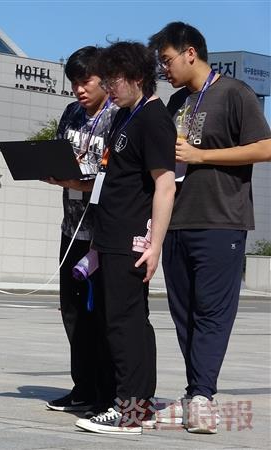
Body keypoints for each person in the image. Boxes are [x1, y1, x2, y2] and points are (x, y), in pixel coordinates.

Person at [149, 22, 271, 434]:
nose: (163, 69)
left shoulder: (234, 93)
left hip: (221, 219)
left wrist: (202, 157)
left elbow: (266, 147)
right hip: (178, 220)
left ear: (190, 52)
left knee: (213, 313)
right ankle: (194, 394)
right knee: (184, 314)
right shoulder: (176, 102)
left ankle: (203, 395)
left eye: (166, 60)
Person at [71, 42, 176, 435]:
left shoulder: (154, 119)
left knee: (124, 322)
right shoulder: (124, 118)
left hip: (131, 238)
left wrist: (155, 245)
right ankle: (136, 402)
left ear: (136, 77)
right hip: (109, 236)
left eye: (114, 80)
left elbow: (165, 185)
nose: (109, 88)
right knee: (124, 320)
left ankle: (130, 408)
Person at [43, 46, 119, 415]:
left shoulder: (118, 116)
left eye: (85, 81)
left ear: (104, 79)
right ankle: (82, 386)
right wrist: (53, 172)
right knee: (72, 310)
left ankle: (109, 390)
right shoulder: (70, 113)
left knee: (102, 313)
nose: (79, 90)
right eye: (74, 83)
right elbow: (62, 152)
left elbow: (118, 176)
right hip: (71, 228)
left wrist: (82, 182)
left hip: (105, 232)